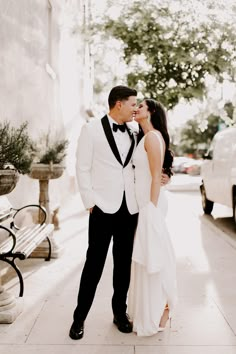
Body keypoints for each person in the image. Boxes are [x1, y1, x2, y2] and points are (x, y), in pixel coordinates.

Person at [69, 85, 139, 340]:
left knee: (123, 265)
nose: (135, 109)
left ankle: (119, 313)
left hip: (129, 208)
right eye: (133, 103)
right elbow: (82, 167)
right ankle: (79, 318)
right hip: (101, 208)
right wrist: (90, 201)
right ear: (118, 103)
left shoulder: (134, 131)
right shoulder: (91, 130)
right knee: (94, 265)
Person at [128, 98, 177, 336]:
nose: (136, 109)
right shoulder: (144, 137)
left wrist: (151, 209)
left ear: (152, 112)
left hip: (151, 206)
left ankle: (164, 308)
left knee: (154, 258)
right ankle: (151, 309)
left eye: (141, 107)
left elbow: (156, 177)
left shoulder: (152, 137)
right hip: (145, 205)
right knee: (147, 258)